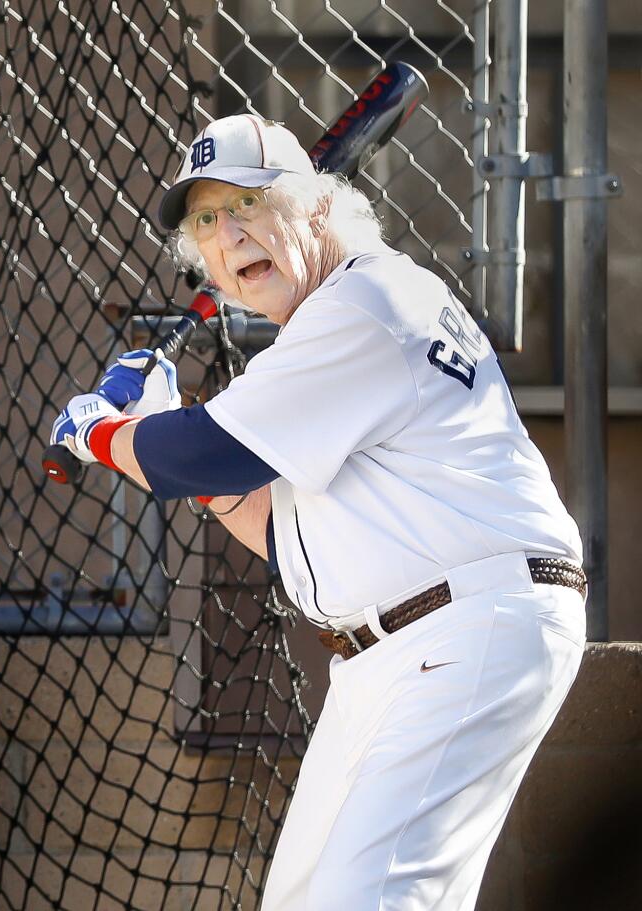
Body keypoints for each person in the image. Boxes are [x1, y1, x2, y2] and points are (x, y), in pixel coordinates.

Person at [50, 114, 586, 910]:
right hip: (402, 646)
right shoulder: (333, 325)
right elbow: (277, 526)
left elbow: (197, 455)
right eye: (206, 221)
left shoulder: (362, 300)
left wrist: (103, 431)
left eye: (249, 204)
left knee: (366, 898)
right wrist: (158, 428)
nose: (228, 236)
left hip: (469, 625)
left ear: (319, 209)